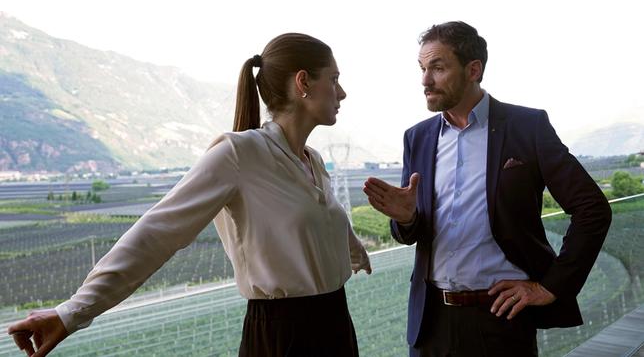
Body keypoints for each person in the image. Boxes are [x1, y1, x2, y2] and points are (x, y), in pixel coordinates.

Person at [7, 33, 372, 357]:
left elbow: (324, 218)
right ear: (303, 82)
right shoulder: (238, 154)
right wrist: (71, 313)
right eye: (334, 79)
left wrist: (356, 251)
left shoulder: (315, 162)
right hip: (283, 336)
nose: (341, 92)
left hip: (336, 326)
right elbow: (157, 232)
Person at [363, 21, 611, 356]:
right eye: (422, 69)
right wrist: (406, 218)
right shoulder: (417, 138)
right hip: (431, 324)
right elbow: (410, 232)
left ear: (473, 69)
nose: (425, 81)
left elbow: (592, 208)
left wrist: (551, 286)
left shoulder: (527, 127)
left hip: (502, 320)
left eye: (437, 67)